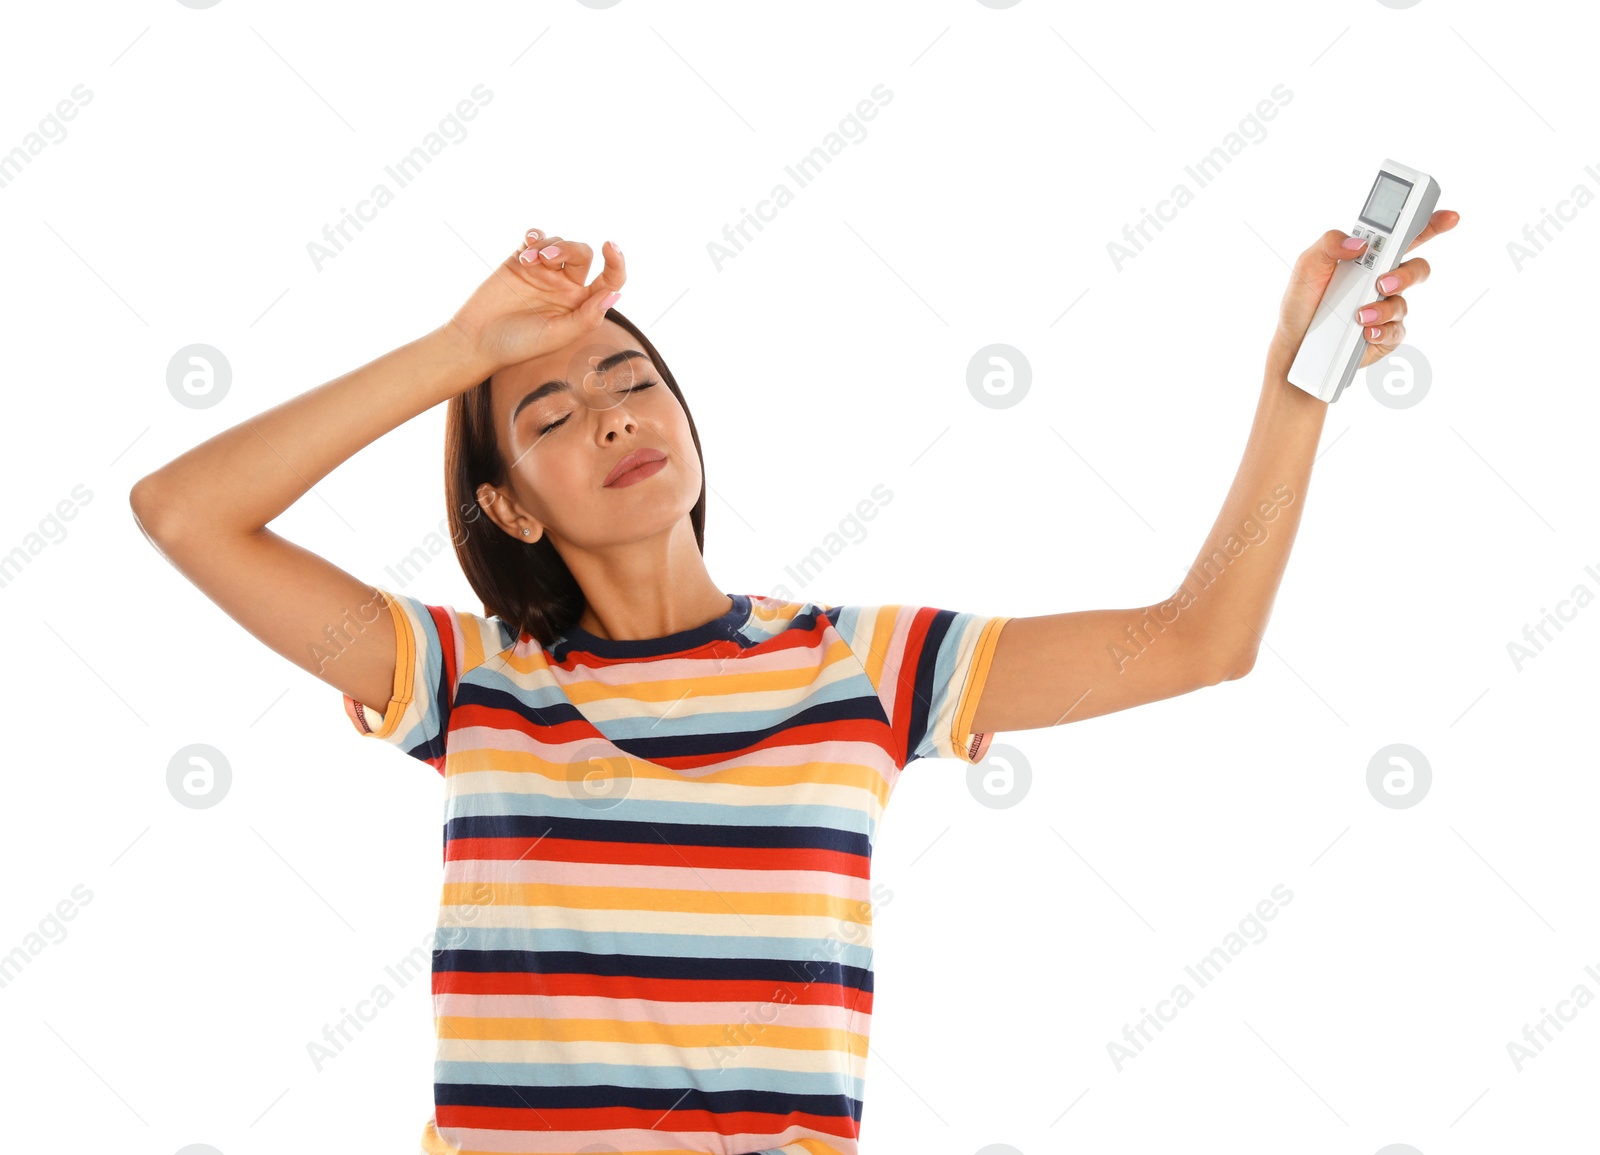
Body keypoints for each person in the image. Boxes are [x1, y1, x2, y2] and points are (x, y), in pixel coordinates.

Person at [128, 211, 1459, 1155]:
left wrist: (1303, 374)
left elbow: (1198, 638)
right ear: (510, 508)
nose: (609, 414)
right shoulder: (473, 683)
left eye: (631, 379)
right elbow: (186, 512)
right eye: (546, 414)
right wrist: (462, 349)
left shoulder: (861, 668)